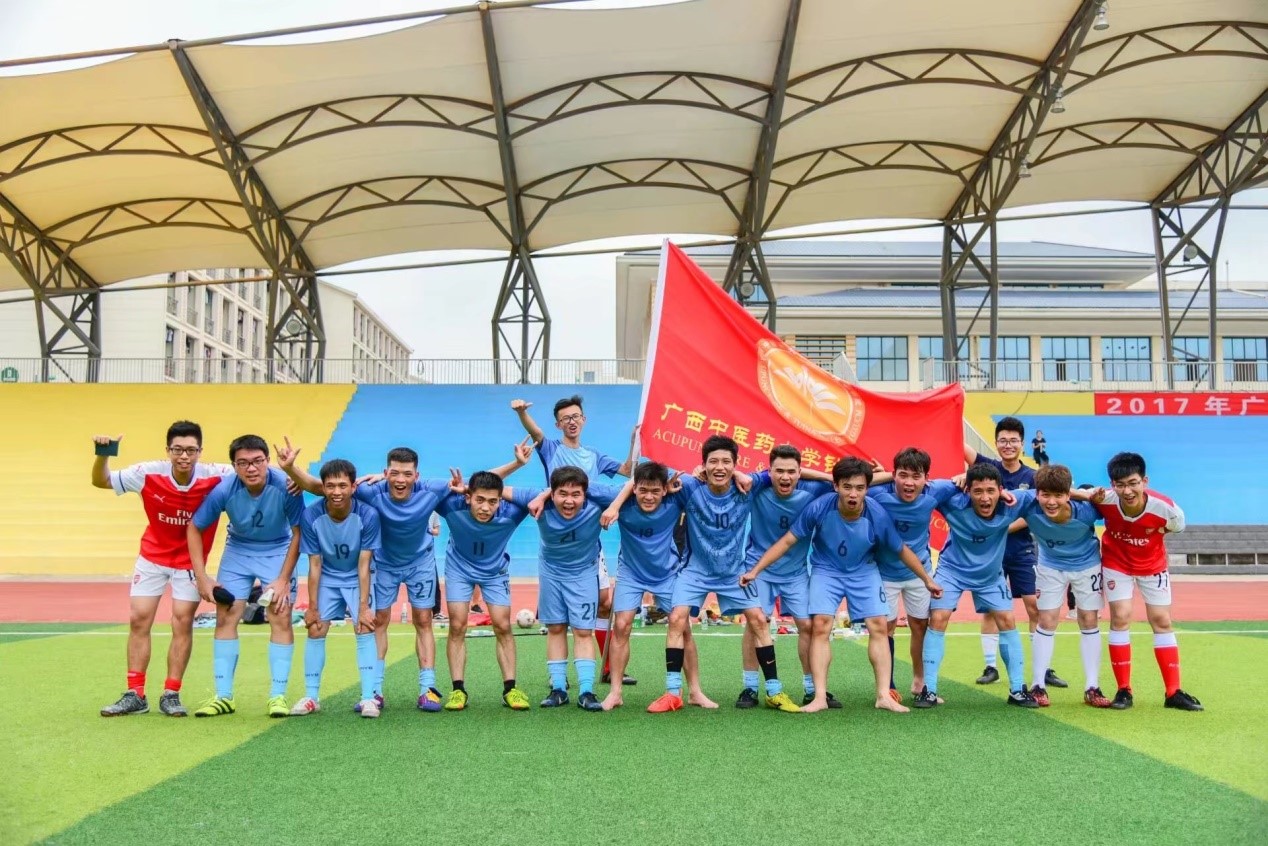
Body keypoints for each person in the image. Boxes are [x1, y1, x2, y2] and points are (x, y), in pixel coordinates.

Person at [277, 440, 529, 713]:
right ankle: (375, 691)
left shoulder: (431, 490)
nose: (401, 479)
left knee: (423, 620)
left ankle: (427, 689)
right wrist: (291, 471)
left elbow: (480, 484)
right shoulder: (371, 491)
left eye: (407, 474)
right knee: (379, 621)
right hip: (384, 564)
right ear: (386, 473)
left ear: (416, 476)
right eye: (395, 473)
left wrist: (516, 464)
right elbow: (323, 487)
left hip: (420, 563)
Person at [742, 457, 941, 714]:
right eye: (847, 487)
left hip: (863, 569)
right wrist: (755, 570)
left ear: (867, 489)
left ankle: (883, 695)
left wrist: (927, 579)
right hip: (826, 570)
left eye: (859, 488)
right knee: (820, 625)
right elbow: (787, 541)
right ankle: (819, 696)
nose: (853, 494)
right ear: (836, 486)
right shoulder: (819, 507)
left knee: (879, 625)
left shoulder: (877, 514)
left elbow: (901, 549)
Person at [91, 422, 234, 717]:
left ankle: (171, 694)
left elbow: (259, 474)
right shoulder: (147, 473)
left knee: (182, 622)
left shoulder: (218, 475)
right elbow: (101, 481)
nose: (184, 456)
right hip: (152, 557)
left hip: (190, 563)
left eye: (191, 450)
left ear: (200, 451)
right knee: (139, 619)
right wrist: (103, 454)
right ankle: (135, 694)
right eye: (178, 450)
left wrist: (291, 477)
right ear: (168, 450)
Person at [665, 435, 800, 713]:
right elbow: (646, 478)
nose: (720, 467)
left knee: (759, 620)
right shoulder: (689, 487)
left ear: (736, 465)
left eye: (726, 462)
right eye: (713, 461)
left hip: (733, 573)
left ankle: (774, 691)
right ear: (703, 465)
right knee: (677, 619)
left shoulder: (747, 485)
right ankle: (671, 693)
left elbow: (784, 471)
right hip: (695, 570)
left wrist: (741, 475)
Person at [511, 395, 638, 685]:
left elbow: (628, 471)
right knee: (562, 617)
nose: (572, 421)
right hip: (559, 534)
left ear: (584, 420)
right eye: (565, 418)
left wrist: (635, 442)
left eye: (576, 416)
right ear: (558, 424)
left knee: (605, 602)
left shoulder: (594, 455)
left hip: (588, 537)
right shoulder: (551, 449)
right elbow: (536, 434)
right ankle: (560, 676)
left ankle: (607, 667)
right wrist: (521, 414)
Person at [186, 435, 304, 717]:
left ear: (267, 461)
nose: (251, 468)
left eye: (257, 461)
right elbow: (194, 527)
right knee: (226, 615)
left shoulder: (287, 486)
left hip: (278, 549)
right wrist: (202, 577)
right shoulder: (224, 490)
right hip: (238, 551)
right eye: (243, 463)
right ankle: (224, 697)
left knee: (280, 615)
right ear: (234, 466)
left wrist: (283, 579)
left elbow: (299, 533)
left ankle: (277, 696)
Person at [914, 463, 1040, 709]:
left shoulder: (1013, 503)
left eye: (991, 491)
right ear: (968, 491)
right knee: (938, 618)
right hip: (952, 571)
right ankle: (929, 690)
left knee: (1007, 620)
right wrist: (956, 481)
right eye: (978, 491)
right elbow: (923, 486)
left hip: (990, 575)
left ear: (1001, 490)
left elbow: (1050, 491)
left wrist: (1087, 495)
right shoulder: (954, 503)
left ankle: (1017, 690)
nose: (985, 498)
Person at [598, 462, 715, 712]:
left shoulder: (675, 497)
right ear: (633, 489)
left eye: (654, 491)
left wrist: (700, 472)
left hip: (667, 572)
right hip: (631, 572)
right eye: (642, 490)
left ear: (664, 489)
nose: (648, 497)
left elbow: (709, 478)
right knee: (621, 626)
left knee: (683, 627)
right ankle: (615, 692)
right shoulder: (619, 499)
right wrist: (615, 505)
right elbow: (578, 487)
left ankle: (695, 691)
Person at [503, 467, 623, 711]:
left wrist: (614, 507)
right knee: (556, 628)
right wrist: (463, 488)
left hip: (584, 572)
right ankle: (558, 689)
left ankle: (587, 692)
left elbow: (636, 486)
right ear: (552, 492)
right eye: (562, 494)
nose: (569, 501)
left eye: (576, 494)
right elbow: (496, 489)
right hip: (551, 572)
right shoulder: (537, 499)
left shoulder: (598, 500)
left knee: (583, 630)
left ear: (585, 494)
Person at [1091, 452, 1201, 711]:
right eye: (1120, 485)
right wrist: (1088, 493)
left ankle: (1173, 692)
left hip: (1153, 566)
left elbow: (1177, 526)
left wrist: (1158, 531)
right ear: (1112, 484)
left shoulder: (1166, 507)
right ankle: (1123, 690)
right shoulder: (1105, 499)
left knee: (1162, 620)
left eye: (1133, 483)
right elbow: (1075, 494)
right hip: (1117, 564)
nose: (1127, 491)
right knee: (1121, 617)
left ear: (1144, 481)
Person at [965, 416, 1066, 689]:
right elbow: (961, 447)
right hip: (991, 553)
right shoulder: (988, 469)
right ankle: (990, 667)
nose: (1007, 445)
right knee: (991, 609)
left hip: (1021, 550)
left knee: (1035, 606)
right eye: (1003, 440)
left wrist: (1002, 528)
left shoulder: (1033, 477)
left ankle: (1043, 668)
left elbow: (1033, 512)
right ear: (996, 443)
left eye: (1013, 440)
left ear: (1022, 444)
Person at [740, 446, 836, 707]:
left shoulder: (814, 490)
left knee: (808, 626)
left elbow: (853, 483)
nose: (785, 477)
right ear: (769, 471)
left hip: (796, 573)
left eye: (791, 471)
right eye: (779, 471)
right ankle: (750, 688)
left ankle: (812, 689)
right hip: (758, 570)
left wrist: (829, 477)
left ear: (800, 472)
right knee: (755, 624)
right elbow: (738, 477)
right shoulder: (757, 487)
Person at [866, 447, 961, 701]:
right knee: (884, 628)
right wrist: (881, 477)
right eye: (903, 475)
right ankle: (888, 685)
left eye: (916, 476)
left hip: (919, 572)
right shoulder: (877, 493)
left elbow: (974, 483)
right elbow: (851, 483)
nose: (909, 483)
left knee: (920, 626)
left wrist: (965, 476)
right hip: (883, 572)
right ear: (893, 474)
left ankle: (920, 681)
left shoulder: (936, 491)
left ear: (926, 478)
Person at [435, 470, 535, 711]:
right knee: (457, 624)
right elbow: (412, 486)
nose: (485, 508)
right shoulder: (451, 505)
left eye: (492, 501)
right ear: (468, 497)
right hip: (459, 569)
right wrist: (378, 477)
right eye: (479, 500)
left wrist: (518, 474)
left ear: (500, 500)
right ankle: (458, 690)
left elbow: (547, 493)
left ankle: (510, 689)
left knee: (502, 625)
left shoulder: (512, 512)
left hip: (494, 572)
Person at [289, 460, 383, 717]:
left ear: (353, 487)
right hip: (328, 577)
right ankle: (311, 697)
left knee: (364, 626)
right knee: (316, 628)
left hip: (356, 576)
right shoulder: (311, 515)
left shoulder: (368, 515)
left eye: (343, 485)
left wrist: (363, 608)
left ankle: (368, 698)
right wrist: (312, 607)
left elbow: (364, 564)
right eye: (330, 486)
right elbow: (314, 564)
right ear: (323, 488)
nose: (336, 491)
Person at [1017, 464, 1110, 708]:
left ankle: (1092, 687)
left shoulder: (1087, 511)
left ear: (1068, 494)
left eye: (1058, 495)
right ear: (1037, 493)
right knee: (1046, 620)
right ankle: (1038, 685)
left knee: (1089, 620)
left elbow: (1115, 502)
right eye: (1045, 495)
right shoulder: (1028, 505)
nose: (1051, 502)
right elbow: (998, 494)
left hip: (1087, 565)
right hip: (1050, 566)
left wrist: (1090, 495)